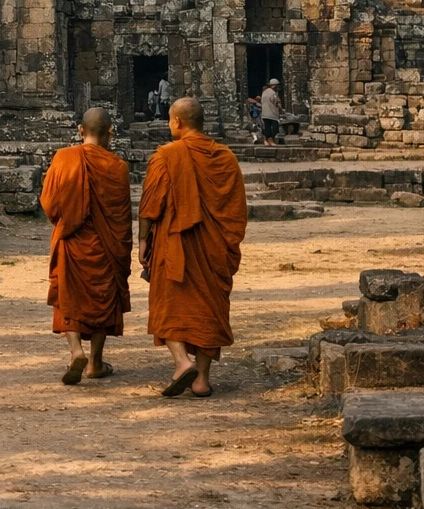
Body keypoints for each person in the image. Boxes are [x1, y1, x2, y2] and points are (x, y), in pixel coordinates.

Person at [138, 98, 247, 399]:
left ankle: (181, 361)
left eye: (169, 120)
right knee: (208, 308)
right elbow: (236, 210)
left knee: (167, 303)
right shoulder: (226, 158)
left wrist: (143, 241)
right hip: (214, 247)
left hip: (175, 245)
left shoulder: (166, 156)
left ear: (176, 122)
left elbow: (150, 205)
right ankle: (202, 380)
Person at [41, 107, 133, 385]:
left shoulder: (64, 157)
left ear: (80, 131)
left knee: (68, 293)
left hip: (72, 241)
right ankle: (95, 362)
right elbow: (121, 216)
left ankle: (75, 352)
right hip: (107, 245)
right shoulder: (118, 167)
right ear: (110, 133)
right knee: (103, 295)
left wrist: (66, 219)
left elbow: (49, 203)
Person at [260, 78, 282, 146]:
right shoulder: (273, 93)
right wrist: (280, 108)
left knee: (267, 127)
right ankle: (270, 139)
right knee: (275, 128)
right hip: (272, 113)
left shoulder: (264, 92)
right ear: (275, 86)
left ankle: (266, 139)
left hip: (264, 113)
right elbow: (276, 102)